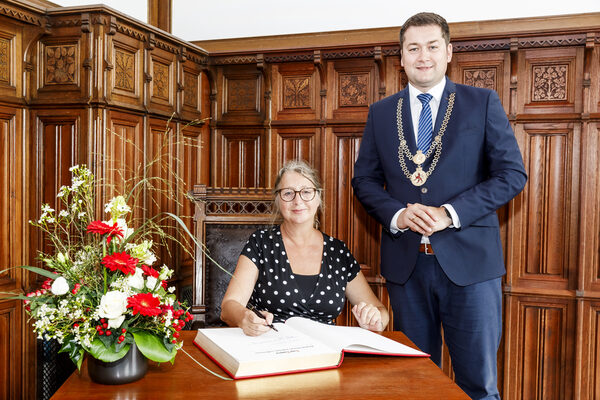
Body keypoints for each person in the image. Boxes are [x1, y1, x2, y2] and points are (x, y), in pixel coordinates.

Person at [351, 12, 527, 400]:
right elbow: (363, 180)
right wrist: (398, 214)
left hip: (471, 269)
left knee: (478, 386)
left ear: (449, 52)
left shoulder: (481, 102)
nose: (423, 56)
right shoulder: (382, 112)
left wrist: (450, 214)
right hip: (408, 269)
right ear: (401, 57)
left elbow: (512, 175)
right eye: (413, 48)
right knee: (413, 385)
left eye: (432, 46)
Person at [221, 160, 389, 337]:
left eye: (306, 192)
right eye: (288, 193)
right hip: (271, 350)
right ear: (278, 201)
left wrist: (375, 319)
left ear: (318, 199)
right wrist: (244, 318)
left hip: (326, 353)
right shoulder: (261, 243)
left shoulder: (337, 252)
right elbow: (228, 307)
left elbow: (381, 311)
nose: (298, 200)